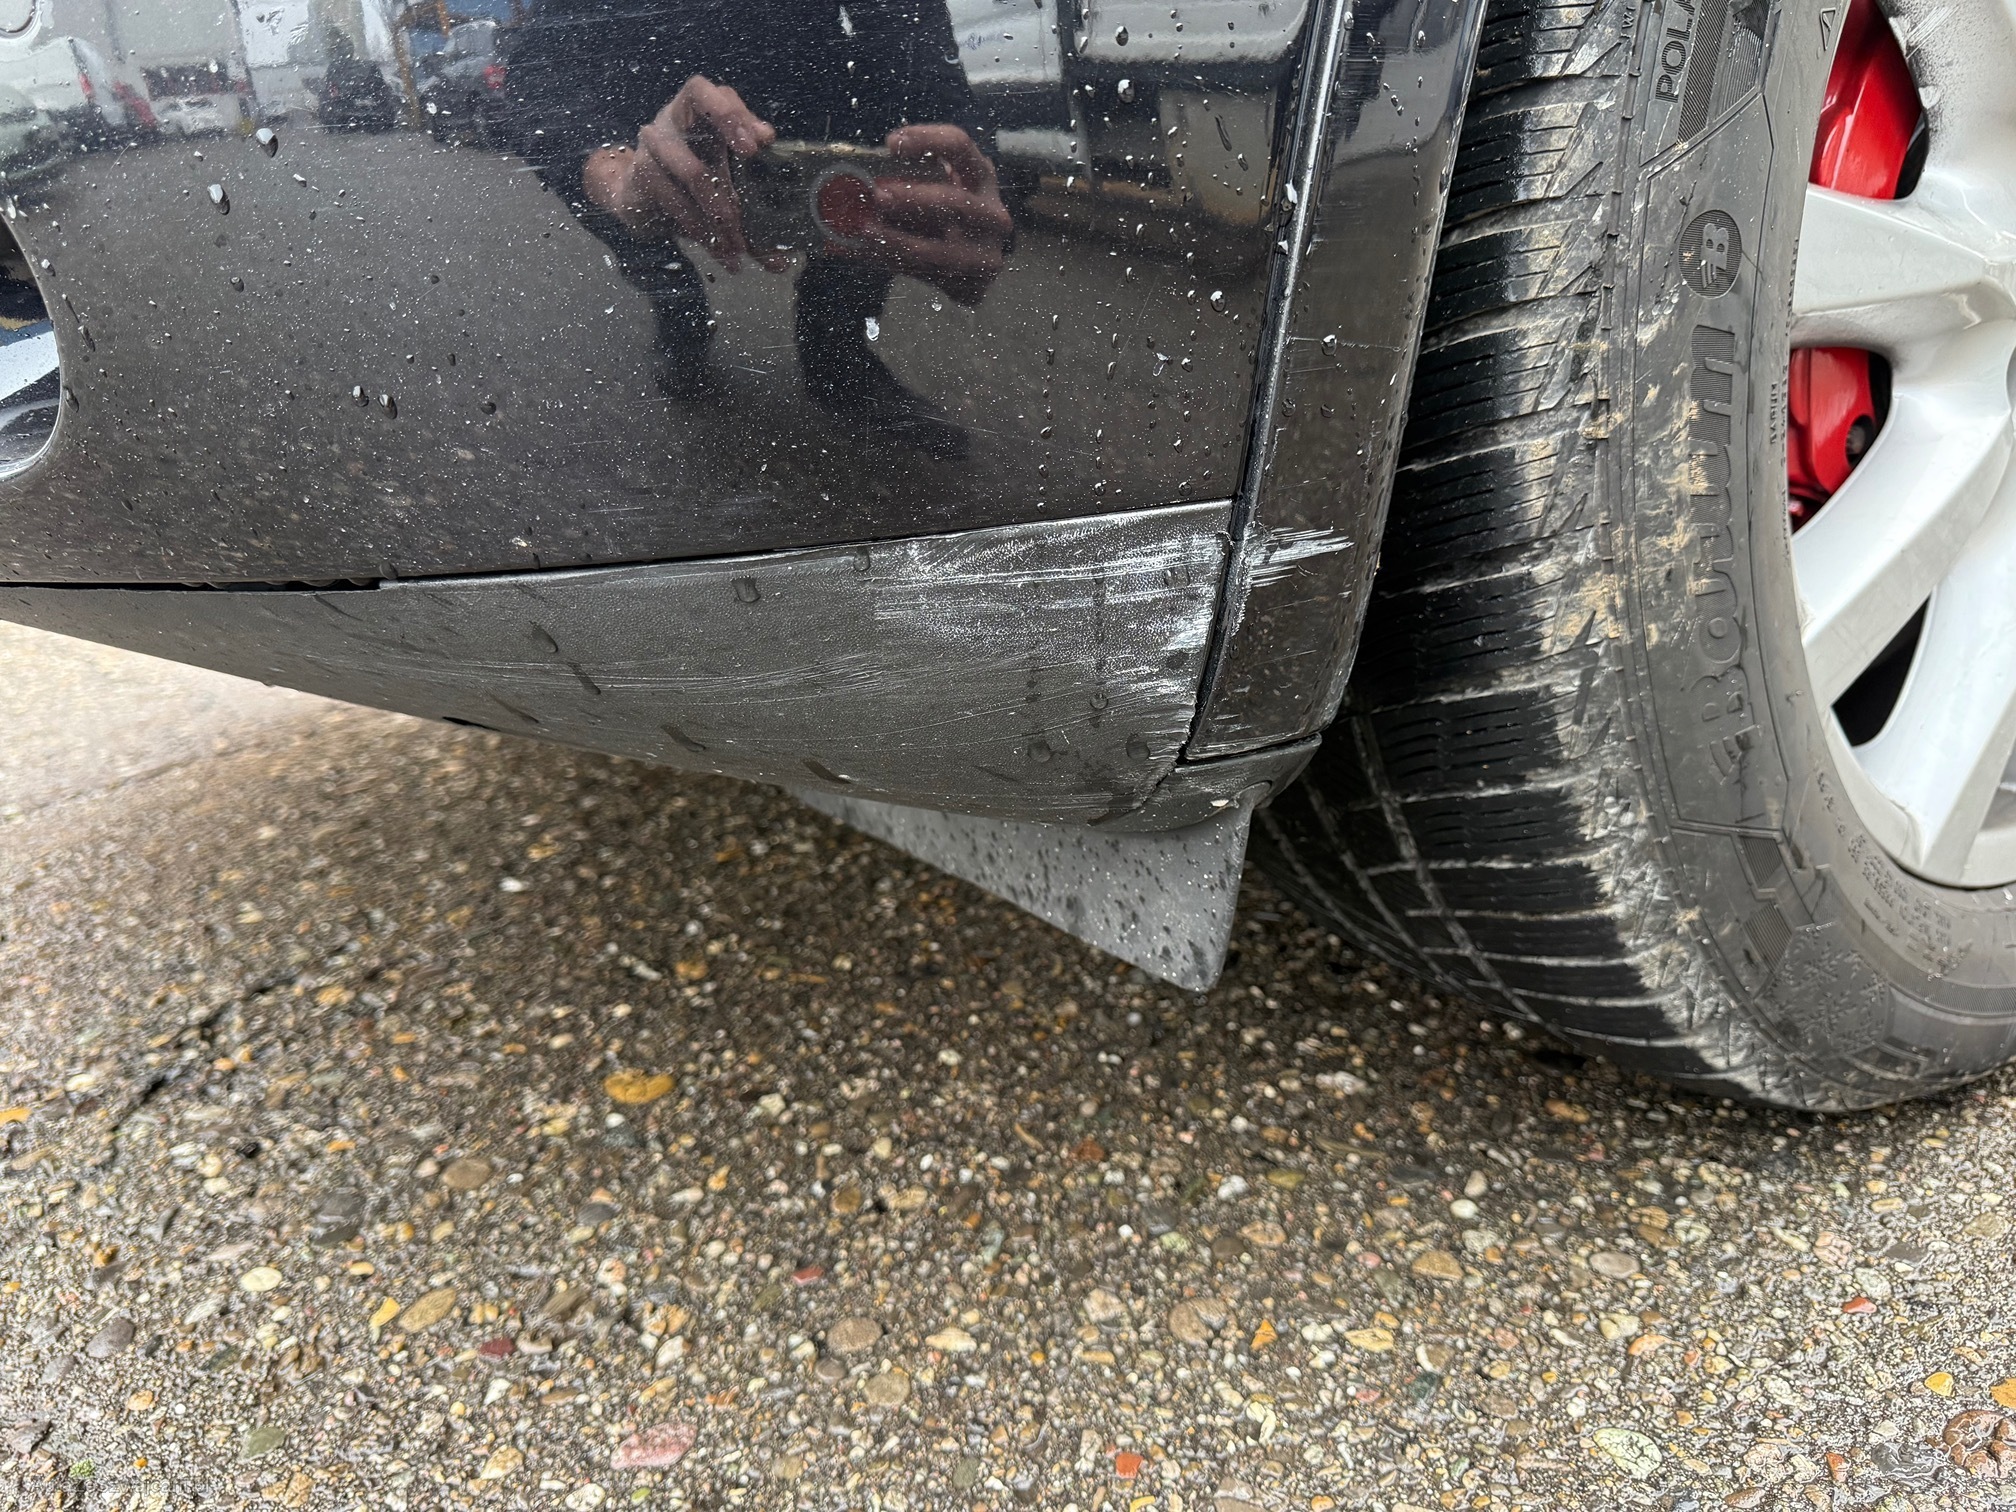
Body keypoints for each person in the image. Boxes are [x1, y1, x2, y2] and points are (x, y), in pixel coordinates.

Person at [499, 1, 1013, 457]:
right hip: (639, 106)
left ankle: (837, 356)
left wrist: (969, 184)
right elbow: (542, 67)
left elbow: (918, 54)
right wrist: (612, 177)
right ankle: (678, 309)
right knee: (631, 198)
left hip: (805, 87)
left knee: (857, 190)